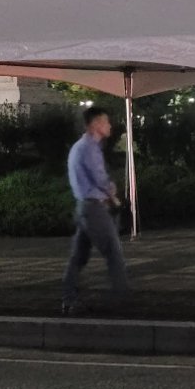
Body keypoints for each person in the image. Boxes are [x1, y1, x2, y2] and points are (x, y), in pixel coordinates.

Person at [61, 107, 131, 316]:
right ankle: (121, 299)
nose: (109, 126)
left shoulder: (79, 147)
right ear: (96, 124)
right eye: (106, 121)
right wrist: (113, 194)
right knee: (113, 252)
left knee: (79, 256)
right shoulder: (90, 148)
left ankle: (69, 298)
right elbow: (100, 178)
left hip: (84, 206)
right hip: (94, 208)